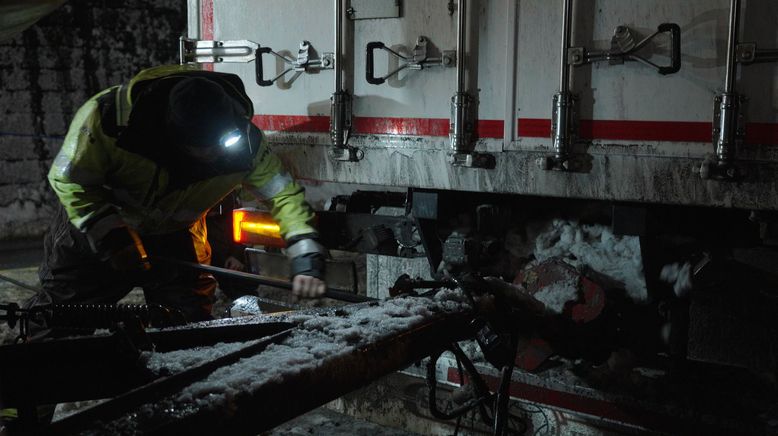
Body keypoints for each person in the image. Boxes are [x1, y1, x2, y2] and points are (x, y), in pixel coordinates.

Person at [26, 64, 328, 324]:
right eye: (200, 148)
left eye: (216, 144)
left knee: (187, 325)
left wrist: (305, 253)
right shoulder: (107, 121)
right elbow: (70, 179)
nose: (211, 155)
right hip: (96, 228)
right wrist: (109, 234)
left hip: (175, 237)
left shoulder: (245, 143)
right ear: (172, 135)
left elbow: (282, 194)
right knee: (60, 319)